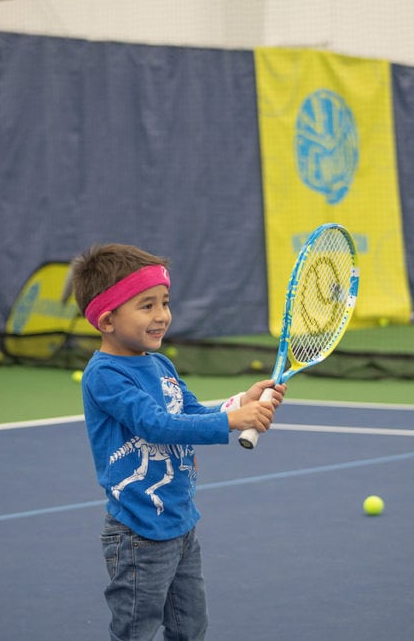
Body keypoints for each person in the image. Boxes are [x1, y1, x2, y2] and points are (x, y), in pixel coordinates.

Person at [68, 243, 285, 641]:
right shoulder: (105, 375)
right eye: (146, 306)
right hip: (138, 533)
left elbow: (187, 412)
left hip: (181, 524)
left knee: (190, 627)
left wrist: (240, 403)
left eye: (164, 302)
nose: (162, 316)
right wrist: (231, 422)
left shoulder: (161, 364)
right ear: (107, 319)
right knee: (136, 629)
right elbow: (156, 425)